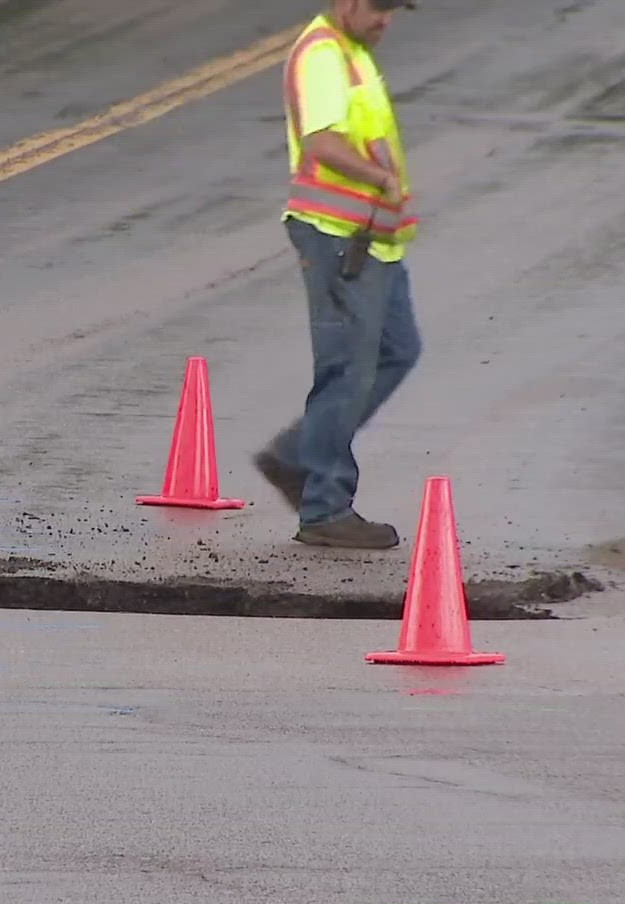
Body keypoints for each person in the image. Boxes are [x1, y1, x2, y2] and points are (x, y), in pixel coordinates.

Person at [254, 0, 420, 550]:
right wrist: (383, 180)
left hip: (371, 240)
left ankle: (300, 453)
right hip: (336, 234)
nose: (386, 20)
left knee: (397, 350)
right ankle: (325, 506)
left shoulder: (353, 52)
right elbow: (321, 141)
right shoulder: (324, 55)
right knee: (348, 367)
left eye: (394, 10)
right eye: (378, 7)